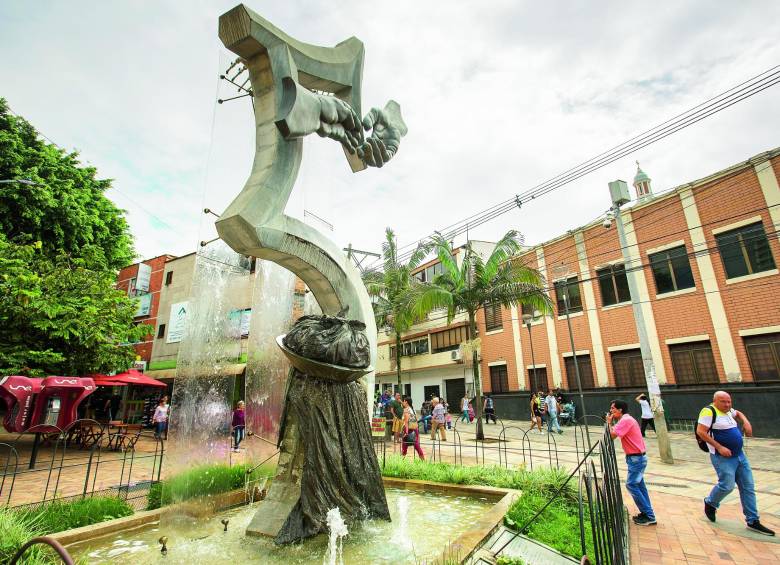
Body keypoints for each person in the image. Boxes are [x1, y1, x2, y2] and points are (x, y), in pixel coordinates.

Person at [697, 391, 774, 536]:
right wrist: (720, 447)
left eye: (729, 401)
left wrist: (746, 421)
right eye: (723, 402)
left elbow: (738, 413)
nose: (727, 404)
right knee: (727, 486)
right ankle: (711, 502)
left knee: (748, 487)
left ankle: (753, 520)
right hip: (722, 457)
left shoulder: (728, 411)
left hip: (740, 456)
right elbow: (701, 432)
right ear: (715, 401)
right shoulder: (708, 411)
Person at [608, 399, 656, 526]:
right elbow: (614, 432)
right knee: (639, 486)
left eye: (613, 408)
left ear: (620, 410)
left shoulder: (626, 420)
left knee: (631, 485)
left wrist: (608, 423)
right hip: (635, 458)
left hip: (636, 458)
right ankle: (647, 513)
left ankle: (649, 515)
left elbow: (612, 435)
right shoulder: (625, 420)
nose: (611, 411)